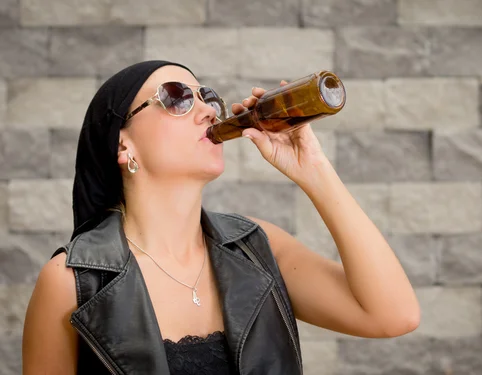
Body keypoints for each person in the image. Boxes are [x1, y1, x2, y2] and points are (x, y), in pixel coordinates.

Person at [21, 60, 420, 375]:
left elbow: (394, 316)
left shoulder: (258, 247)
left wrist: (312, 169)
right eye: (176, 97)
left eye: (208, 98)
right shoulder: (71, 282)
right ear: (123, 145)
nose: (209, 112)